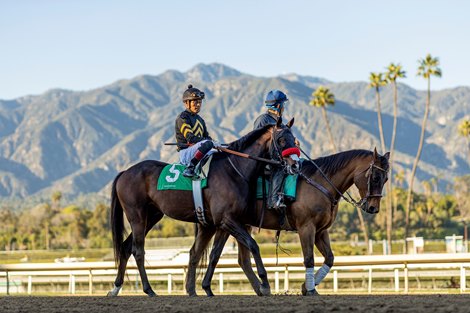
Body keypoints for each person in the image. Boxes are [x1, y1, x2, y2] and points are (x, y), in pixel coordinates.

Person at [253, 90, 290, 226]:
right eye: (283, 105)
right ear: (279, 106)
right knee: (280, 168)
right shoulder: (263, 120)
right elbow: (255, 141)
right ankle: (273, 200)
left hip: (277, 158)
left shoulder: (279, 122)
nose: (284, 108)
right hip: (263, 160)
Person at [175, 84, 217, 178]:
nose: (198, 105)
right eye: (195, 102)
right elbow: (190, 138)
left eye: (199, 102)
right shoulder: (183, 117)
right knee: (208, 143)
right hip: (186, 153)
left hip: (199, 149)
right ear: (186, 103)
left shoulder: (201, 120)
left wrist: (216, 143)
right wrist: (209, 142)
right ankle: (190, 167)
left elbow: (207, 137)